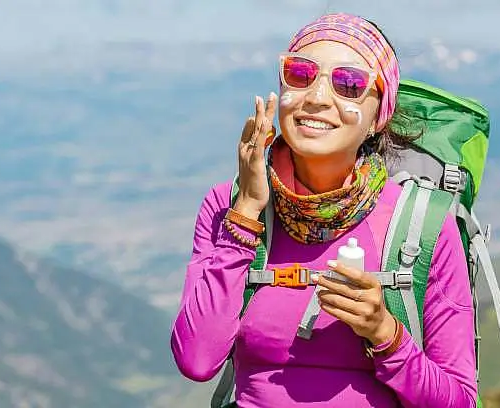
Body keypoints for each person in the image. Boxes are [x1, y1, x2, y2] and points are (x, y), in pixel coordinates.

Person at [171, 12, 477, 408]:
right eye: (300, 74)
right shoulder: (229, 206)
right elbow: (197, 360)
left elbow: (458, 401)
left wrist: (385, 333)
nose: (316, 97)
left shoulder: (424, 225)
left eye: (349, 84)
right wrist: (245, 214)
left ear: (377, 118)